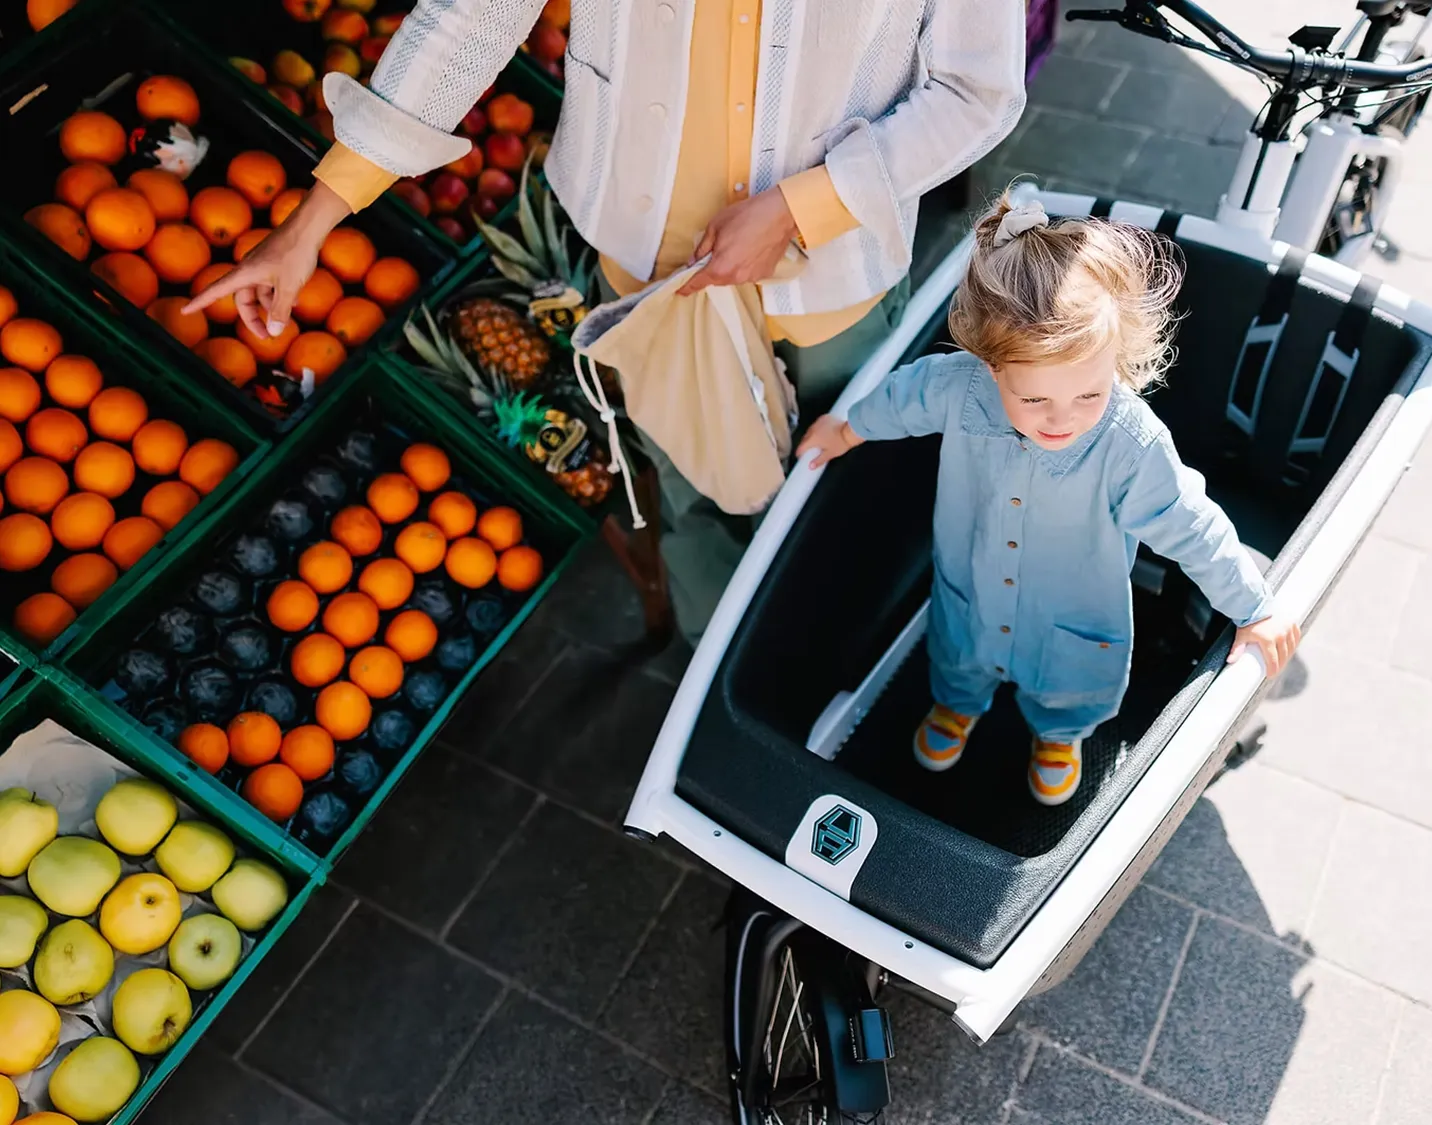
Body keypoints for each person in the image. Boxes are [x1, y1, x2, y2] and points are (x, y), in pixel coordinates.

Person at [185, 0, 1030, 644]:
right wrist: (312, 222)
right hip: (650, 270)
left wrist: (802, 205)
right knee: (698, 506)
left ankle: (851, 674)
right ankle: (724, 691)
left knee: (853, 501)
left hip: (830, 276)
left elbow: (975, 92)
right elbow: (472, 18)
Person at [797, 194, 1302, 806]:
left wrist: (1254, 607)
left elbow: (1187, 522)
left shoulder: (1128, 443)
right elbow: (902, 399)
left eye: (1089, 395)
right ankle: (959, 708)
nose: (1063, 419)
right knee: (960, 651)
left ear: (1117, 364)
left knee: (1069, 682)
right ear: (990, 367)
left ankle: (1060, 737)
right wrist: (847, 428)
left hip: (1073, 609)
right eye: (1035, 401)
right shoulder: (958, 388)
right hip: (974, 580)